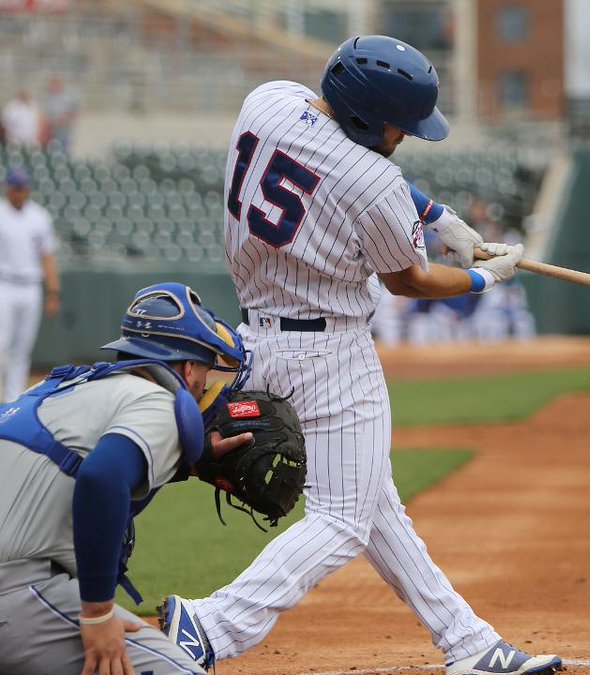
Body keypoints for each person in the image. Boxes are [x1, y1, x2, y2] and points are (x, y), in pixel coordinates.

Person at [157, 35, 563, 675]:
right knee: (344, 518)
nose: (406, 136)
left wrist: (438, 215)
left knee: (373, 503)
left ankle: (469, 644)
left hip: (260, 338)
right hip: (332, 353)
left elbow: (344, 167)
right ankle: (209, 625)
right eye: (400, 124)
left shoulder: (268, 101)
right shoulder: (373, 180)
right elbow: (411, 281)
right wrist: (487, 278)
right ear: (370, 117)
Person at [0, 282, 254, 675]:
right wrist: (99, 613)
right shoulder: (159, 401)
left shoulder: (56, 388)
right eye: (205, 368)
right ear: (188, 369)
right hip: (19, 596)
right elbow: (101, 478)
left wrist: (190, 464)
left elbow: (74, 466)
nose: (205, 383)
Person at [0, 167, 60, 401]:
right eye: (16, 186)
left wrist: (54, 292)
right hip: (4, 283)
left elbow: (47, 256)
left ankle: (12, 399)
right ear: (8, 187)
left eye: (23, 187)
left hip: (31, 285)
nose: (19, 191)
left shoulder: (39, 216)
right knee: (2, 343)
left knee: (22, 348)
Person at [43, 74, 80, 152]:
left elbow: (76, 110)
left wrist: (66, 119)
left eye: (56, 82)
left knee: (64, 149)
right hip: (52, 130)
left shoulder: (69, 95)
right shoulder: (49, 96)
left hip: (65, 129)